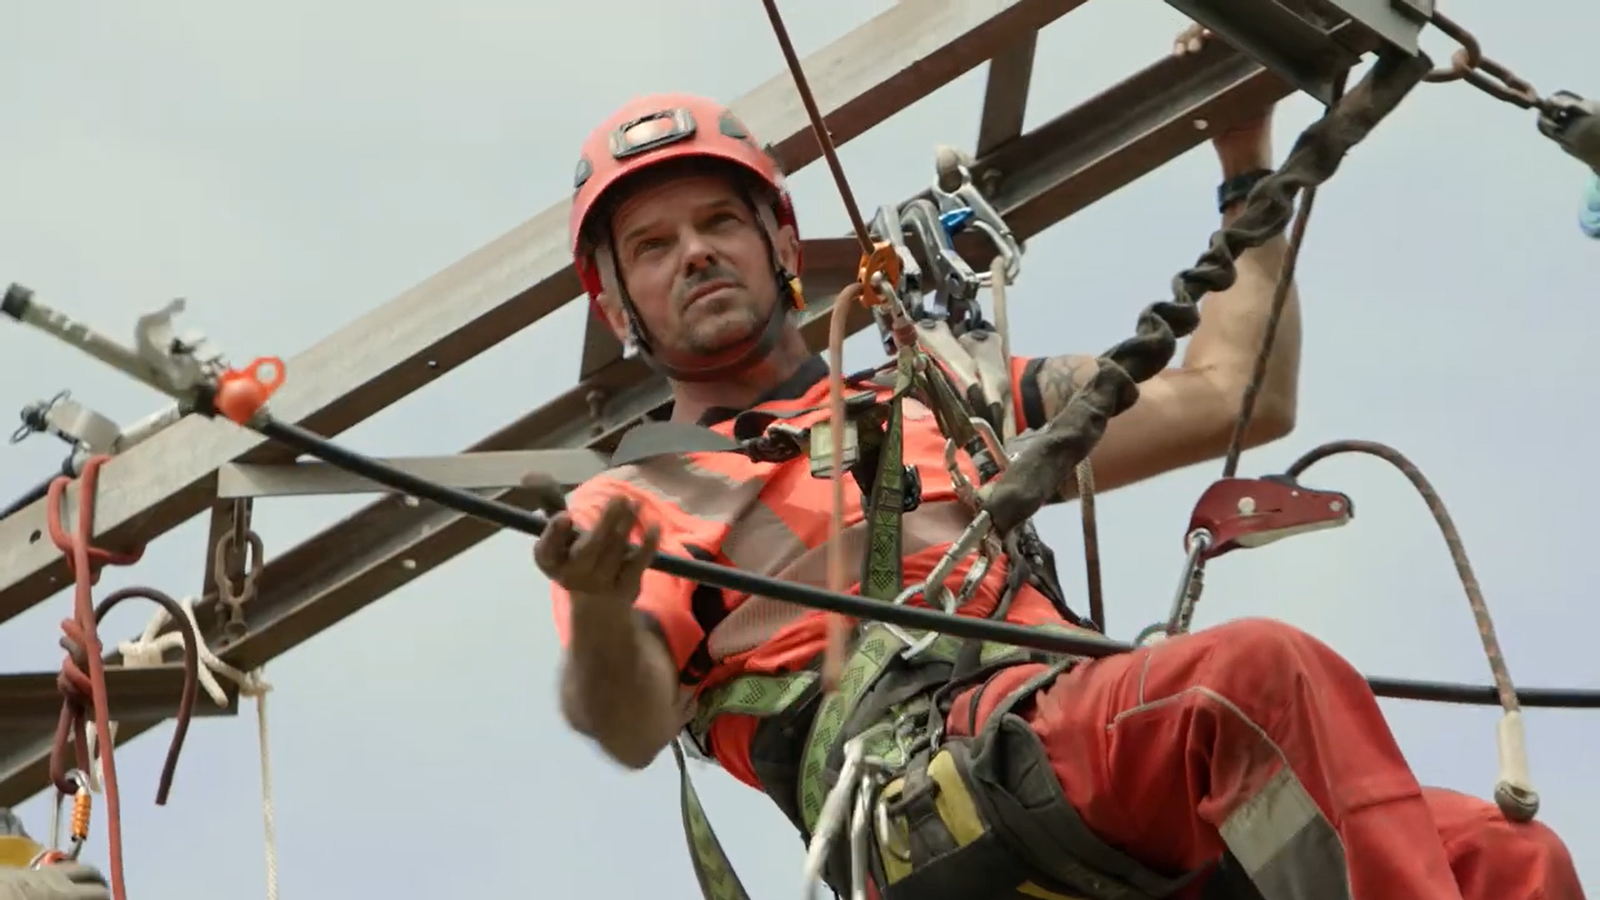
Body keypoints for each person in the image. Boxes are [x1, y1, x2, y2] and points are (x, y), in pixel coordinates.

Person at [535, 27, 1584, 900]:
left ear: (778, 242)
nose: (697, 254)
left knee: (1503, 859)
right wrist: (594, 605)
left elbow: (1237, 394)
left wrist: (1243, 158)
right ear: (616, 303)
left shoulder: (939, 397)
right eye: (654, 246)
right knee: (1250, 679)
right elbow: (627, 724)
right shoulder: (638, 501)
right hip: (938, 788)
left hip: (1087, 749)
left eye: (720, 221)